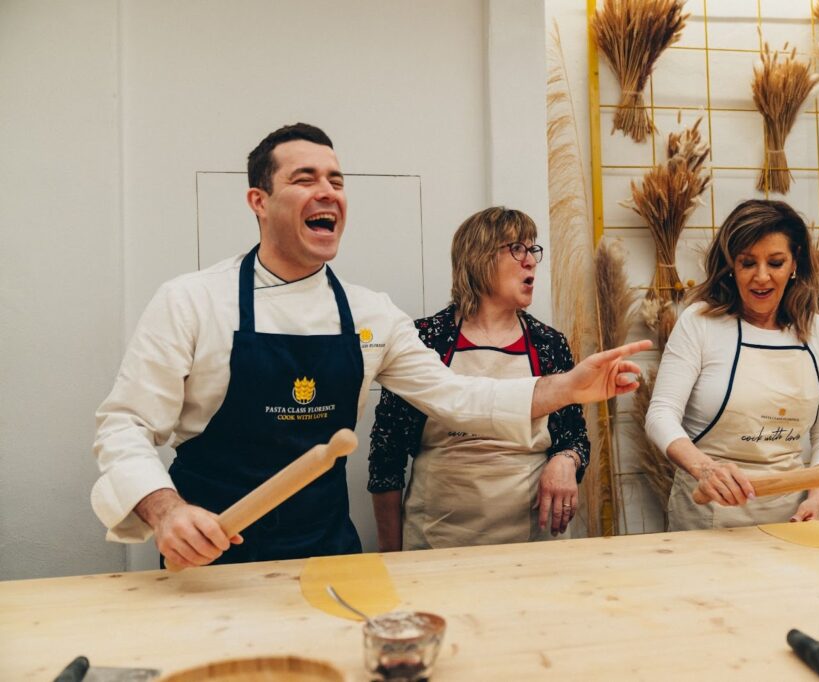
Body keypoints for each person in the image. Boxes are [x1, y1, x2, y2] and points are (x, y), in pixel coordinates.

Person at [92, 123, 649, 569]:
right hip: (210, 551)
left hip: (328, 550)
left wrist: (566, 387)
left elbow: (457, 398)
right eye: (305, 178)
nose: (327, 191)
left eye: (336, 179)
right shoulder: (190, 300)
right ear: (258, 201)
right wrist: (165, 512)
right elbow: (124, 426)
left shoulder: (369, 313)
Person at [368, 207, 587, 551]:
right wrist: (389, 557)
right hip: (438, 539)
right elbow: (386, 457)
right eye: (517, 248)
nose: (531, 261)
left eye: (533, 250)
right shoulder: (426, 339)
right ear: (478, 258)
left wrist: (565, 460)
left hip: (533, 541)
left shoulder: (547, 344)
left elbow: (574, 435)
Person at [645, 199, 819, 530]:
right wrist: (704, 469)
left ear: (795, 264)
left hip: (790, 516)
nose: (761, 277)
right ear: (731, 266)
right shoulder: (700, 323)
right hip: (708, 513)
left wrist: (815, 499)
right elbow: (661, 415)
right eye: (748, 263)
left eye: (776, 262)